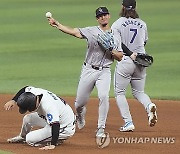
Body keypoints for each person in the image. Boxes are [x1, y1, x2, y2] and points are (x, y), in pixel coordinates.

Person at [47, 7, 123, 137]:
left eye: (105, 15)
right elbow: (74, 32)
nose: (103, 17)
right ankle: (80, 114)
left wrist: (110, 49)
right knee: (79, 103)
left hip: (104, 71)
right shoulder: (92, 31)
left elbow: (120, 57)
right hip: (88, 69)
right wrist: (58, 25)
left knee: (104, 97)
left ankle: (101, 128)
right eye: (100, 16)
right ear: (97, 19)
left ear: (109, 16)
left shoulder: (116, 34)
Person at [111, 0, 158, 132]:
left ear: (122, 7)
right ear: (135, 7)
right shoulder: (142, 24)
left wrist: (130, 53)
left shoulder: (117, 24)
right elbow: (144, 42)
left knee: (120, 93)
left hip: (126, 61)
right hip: (141, 61)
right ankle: (149, 106)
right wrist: (136, 54)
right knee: (139, 92)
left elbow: (118, 45)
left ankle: (128, 122)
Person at [4, 86, 76, 150]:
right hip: (59, 117)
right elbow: (25, 88)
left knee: (30, 139)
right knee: (27, 118)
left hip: (64, 127)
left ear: (31, 106)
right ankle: (22, 137)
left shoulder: (48, 106)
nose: (27, 111)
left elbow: (56, 125)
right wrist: (13, 100)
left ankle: (57, 140)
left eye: (27, 109)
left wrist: (52, 144)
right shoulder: (34, 93)